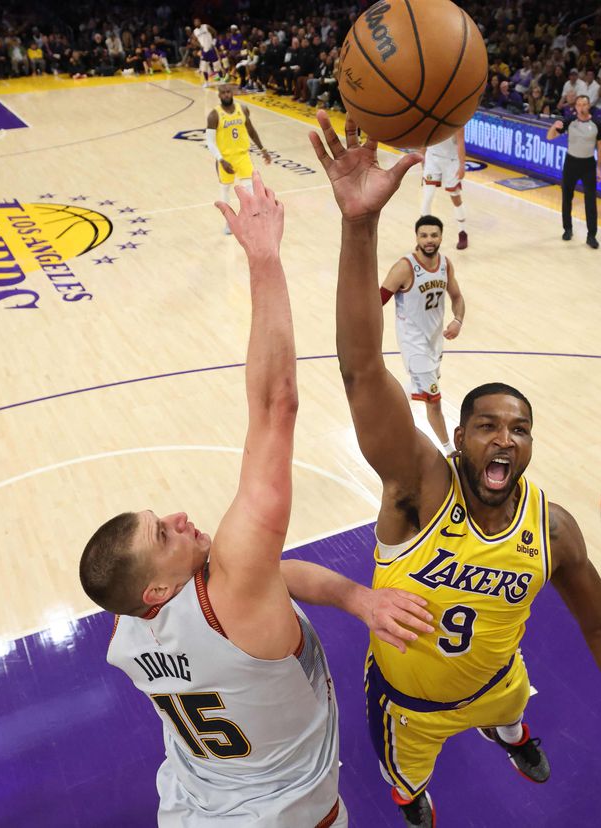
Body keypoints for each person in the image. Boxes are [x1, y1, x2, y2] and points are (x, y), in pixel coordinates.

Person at [308, 110, 601, 828]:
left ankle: (510, 736)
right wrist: (359, 228)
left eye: (520, 429)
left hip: (497, 682)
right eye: (487, 426)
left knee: (512, 709)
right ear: (459, 441)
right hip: (407, 706)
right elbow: (360, 370)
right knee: (406, 786)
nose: (504, 440)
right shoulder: (419, 487)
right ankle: (414, 791)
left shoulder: (554, 529)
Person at [80, 179, 433, 827]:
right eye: (164, 536)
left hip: (191, 803)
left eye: (160, 517)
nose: (181, 518)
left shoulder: (125, 630)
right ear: (156, 589)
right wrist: (265, 260)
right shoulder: (229, 589)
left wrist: (357, 598)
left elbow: (271, 582)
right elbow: (276, 406)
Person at [380, 215, 466, 456]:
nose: (429, 240)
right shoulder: (404, 267)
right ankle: (450, 451)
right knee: (433, 400)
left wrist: (458, 321)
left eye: (434, 235)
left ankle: (383, 414)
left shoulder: (445, 264)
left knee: (421, 387)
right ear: (416, 237)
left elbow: (457, 297)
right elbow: (377, 301)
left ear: (440, 237)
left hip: (435, 342)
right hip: (413, 345)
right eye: (424, 235)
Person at [208, 85, 272, 236]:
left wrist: (263, 149)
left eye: (228, 91)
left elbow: (251, 130)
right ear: (219, 95)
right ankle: (229, 223)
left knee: (250, 191)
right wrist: (221, 160)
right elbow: (210, 142)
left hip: (243, 156)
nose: (226, 94)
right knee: (225, 191)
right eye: (222, 92)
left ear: (233, 93)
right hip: (225, 158)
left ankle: (253, 222)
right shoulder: (214, 115)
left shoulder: (243, 109)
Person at [547, 94, 601, 249]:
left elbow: (600, 146)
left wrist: (599, 167)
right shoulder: (569, 121)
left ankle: (591, 235)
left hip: (588, 165)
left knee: (590, 201)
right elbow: (550, 137)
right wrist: (553, 126)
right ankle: (568, 229)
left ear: (589, 105)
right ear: (576, 107)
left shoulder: (597, 124)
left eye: (584, 104)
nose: (581, 107)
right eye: (578, 105)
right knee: (567, 197)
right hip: (571, 163)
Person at [418, 132, 469, 250]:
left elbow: (460, 141)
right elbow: (424, 137)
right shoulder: (428, 117)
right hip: (432, 158)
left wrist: (462, 165)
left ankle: (462, 232)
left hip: (451, 160)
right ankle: (424, 237)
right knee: (427, 197)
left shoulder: (455, 116)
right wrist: (422, 156)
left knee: (455, 196)